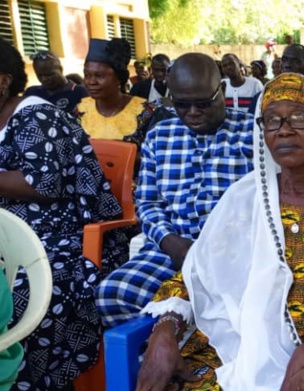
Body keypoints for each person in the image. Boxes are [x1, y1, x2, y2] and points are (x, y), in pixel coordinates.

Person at [135, 73, 304, 391]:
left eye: (300, 118)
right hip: (238, 348)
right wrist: (164, 331)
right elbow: (198, 272)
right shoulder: (245, 198)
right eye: (272, 121)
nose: (284, 130)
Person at [0, 38, 130, 390]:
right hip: (14, 235)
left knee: (20, 295)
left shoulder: (35, 115)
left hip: (61, 237)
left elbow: (42, 183)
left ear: (2, 81)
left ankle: (25, 380)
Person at [96, 53, 255, 328]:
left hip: (235, 255)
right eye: (181, 104)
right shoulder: (160, 135)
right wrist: (169, 241)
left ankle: (197, 358)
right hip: (171, 250)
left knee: (239, 310)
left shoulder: (253, 133)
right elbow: (146, 202)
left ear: (223, 90)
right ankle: (162, 358)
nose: (192, 113)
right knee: (112, 294)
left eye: (203, 103)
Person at [77, 38, 147, 141]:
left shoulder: (144, 113)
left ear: (119, 78)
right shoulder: (81, 111)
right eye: (87, 75)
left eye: (99, 76)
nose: (91, 82)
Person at [23, 51, 88, 114]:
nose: (44, 79)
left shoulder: (78, 92)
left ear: (60, 69)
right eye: (40, 75)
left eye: (49, 75)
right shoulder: (32, 93)